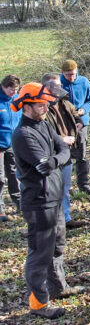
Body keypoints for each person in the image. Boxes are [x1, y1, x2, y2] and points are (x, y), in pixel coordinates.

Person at [11, 82, 85, 319]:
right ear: (27, 105)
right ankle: (38, 303)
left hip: (54, 199)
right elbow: (43, 164)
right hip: (38, 202)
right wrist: (57, 156)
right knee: (40, 252)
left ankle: (58, 288)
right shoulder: (23, 134)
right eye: (41, 104)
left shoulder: (43, 124)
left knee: (57, 246)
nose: (46, 108)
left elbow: (63, 149)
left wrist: (56, 157)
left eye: (46, 103)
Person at [41, 74, 85, 230]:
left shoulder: (64, 101)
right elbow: (42, 132)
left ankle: (65, 219)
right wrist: (62, 139)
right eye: (54, 85)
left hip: (66, 153)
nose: (59, 88)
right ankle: (51, 222)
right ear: (45, 86)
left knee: (65, 187)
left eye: (59, 84)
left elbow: (76, 115)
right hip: (51, 155)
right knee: (50, 190)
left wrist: (79, 123)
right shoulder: (41, 107)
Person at [59, 59, 90, 194]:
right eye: (68, 75)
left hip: (82, 122)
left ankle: (84, 184)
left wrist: (84, 109)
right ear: (62, 73)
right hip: (63, 125)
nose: (71, 77)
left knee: (82, 154)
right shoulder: (58, 85)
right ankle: (65, 185)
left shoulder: (84, 82)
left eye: (73, 74)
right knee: (64, 154)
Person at [0, 74, 21, 221]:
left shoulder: (17, 99)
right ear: (3, 87)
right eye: (11, 89)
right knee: (0, 177)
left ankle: (19, 202)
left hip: (13, 143)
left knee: (14, 174)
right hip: (0, 144)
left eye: (16, 89)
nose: (14, 92)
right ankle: (0, 209)